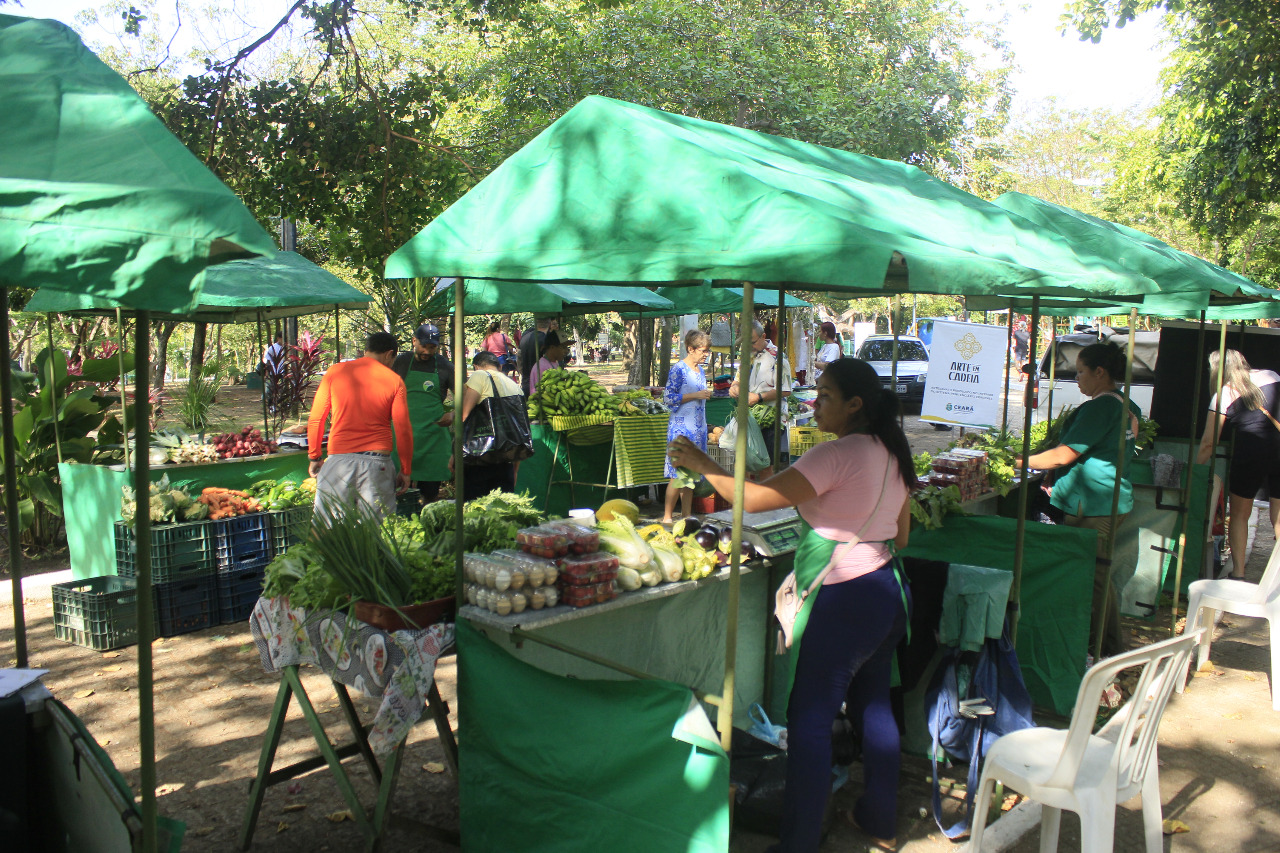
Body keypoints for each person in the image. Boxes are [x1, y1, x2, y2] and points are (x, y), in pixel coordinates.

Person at [669, 358, 915, 852]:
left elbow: (756, 498)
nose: (814, 403)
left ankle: (798, 843)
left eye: (824, 396)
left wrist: (704, 464)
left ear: (855, 405)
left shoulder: (837, 454)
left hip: (844, 598)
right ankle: (879, 819)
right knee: (873, 705)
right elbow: (902, 536)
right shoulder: (893, 451)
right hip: (887, 591)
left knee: (809, 721)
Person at [1015, 342, 1140, 658]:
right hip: (1110, 499)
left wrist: (1018, 461)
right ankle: (1104, 646)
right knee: (1098, 573)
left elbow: (1063, 455)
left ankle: (1103, 650)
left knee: (1093, 578)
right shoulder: (1126, 405)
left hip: (1095, 505)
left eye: (1081, 372)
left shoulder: (1100, 407)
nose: (1077, 378)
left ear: (1100, 372)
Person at [307, 332, 412, 521]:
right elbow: (403, 430)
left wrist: (314, 456)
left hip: (339, 461)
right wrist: (405, 470)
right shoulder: (394, 381)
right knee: (378, 530)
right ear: (389, 354)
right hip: (377, 464)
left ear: (367, 350)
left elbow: (316, 419)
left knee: (329, 529)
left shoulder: (335, 372)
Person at [1196, 349, 1280, 578]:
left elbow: (1208, 443)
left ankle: (1239, 573)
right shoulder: (1272, 376)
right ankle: (1276, 576)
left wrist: (1195, 471)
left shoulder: (1223, 393)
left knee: (1240, 515)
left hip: (1251, 451)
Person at [450, 351, 529, 500]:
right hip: (505, 462)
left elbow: (464, 416)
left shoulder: (480, 376)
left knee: (475, 508)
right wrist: (515, 470)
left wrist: (455, 453)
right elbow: (518, 432)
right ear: (500, 367)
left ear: (476, 366)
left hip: (479, 459)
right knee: (501, 509)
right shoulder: (514, 386)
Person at [392, 323, 455, 502]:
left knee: (430, 493)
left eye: (432, 347)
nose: (427, 351)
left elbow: (464, 395)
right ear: (414, 341)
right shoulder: (401, 362)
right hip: (402, 435)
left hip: (432, 439)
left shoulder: (445, 366)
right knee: (397, 494)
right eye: (423, 346)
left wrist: (452, 413)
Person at [729, 319, 793, 478]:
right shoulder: (747, 355)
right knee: (743, 463)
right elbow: (738, 379)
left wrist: (758, 397)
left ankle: (764, 493)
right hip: (749, 417)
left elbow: (785, 390)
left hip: (771, 419)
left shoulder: (778, 357)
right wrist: (734, 387)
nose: (749, 346)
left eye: (752, 342)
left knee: (766, 466)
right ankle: (745, 493)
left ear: (763, 336)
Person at [662, 330, 713, 523]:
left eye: (707, 351)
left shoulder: (701, 371)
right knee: (677, 475)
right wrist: (695, 395)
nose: (706, 354)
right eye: (703, 350)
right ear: (690, 349)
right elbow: (668, 398)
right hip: (681, 429)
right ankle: (667, 517)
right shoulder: (678, 369)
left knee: (690, 475)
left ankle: (686, 516)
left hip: (697, 429)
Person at [528, 330, 573, 397]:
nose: (567, 351)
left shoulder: (555, 363)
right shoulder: (541, 367)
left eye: (567, 347)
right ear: (552, 348)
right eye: (563, 347)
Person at [519, 316, 552, 395]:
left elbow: (519, 358)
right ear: (550, 324)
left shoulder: (524, 338)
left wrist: (521, 372)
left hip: (526, 381)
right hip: (541, 384)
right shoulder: (547, 340)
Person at [262, 332, 286, 408]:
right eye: (283, 338)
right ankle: (271, 405)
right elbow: (268, 361)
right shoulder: (272, 348)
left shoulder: (286, 347)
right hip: (274, 372)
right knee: (271, 389)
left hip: (284, 371)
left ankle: (282, 405)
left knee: (284, 389)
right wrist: (267, 373)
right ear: (279, 338)